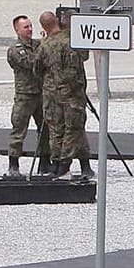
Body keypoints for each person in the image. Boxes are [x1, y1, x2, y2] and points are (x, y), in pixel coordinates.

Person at [35, 10, 91, 177]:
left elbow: (37, 69)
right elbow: (85, 56)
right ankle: (65, 165)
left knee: (56, 130)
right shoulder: (74, 41)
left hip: (52, 95)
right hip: (73, 94)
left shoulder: (44, 45)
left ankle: (57, 162)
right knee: (73, 129)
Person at [6, 14, 47, 175]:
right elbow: (32, 63)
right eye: (26, 27)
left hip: (40, 93)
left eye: (30, 26)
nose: (30, 29)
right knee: (19, 129)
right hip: (25, 95)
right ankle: (13, 164)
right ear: (17, 29)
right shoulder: (16, 49)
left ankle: (44, 161)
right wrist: (44, 47)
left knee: (45, 129)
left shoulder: (37, 44)